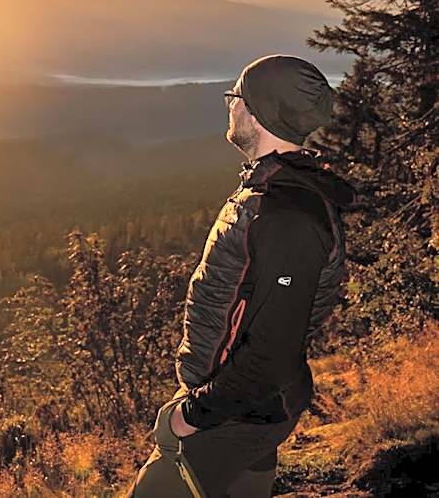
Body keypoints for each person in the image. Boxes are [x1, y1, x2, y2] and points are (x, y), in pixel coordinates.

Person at [127, 54, 355, 498]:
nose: (229, 104)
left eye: (236, 96)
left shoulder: (287, 216)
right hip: (247, 405)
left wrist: (190, 414)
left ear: (258, 113)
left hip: (235, 413)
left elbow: (271, 352)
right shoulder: (270, 191)